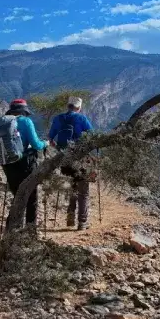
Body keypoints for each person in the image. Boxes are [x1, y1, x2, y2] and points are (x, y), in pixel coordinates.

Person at [0, 99, 48, 227]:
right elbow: (36, 144)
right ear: (24, 111)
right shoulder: (25, 121)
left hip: (7, 163)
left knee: (17, 196)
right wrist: (45, 143)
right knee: (31, 196)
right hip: (25, 164)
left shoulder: (3, 122)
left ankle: (11, 230)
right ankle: (30, 231)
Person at [48, 96, 94, 230]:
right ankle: (82, 222)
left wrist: (58, 148)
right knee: (83, 191)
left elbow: (50, 138)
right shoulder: (81, 118)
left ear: (68, 106)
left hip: (65, 158)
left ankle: (70, 217)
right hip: (80, 158)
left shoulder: (58, 118)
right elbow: (92, 136)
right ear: (79, 108)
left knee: (72, 187)